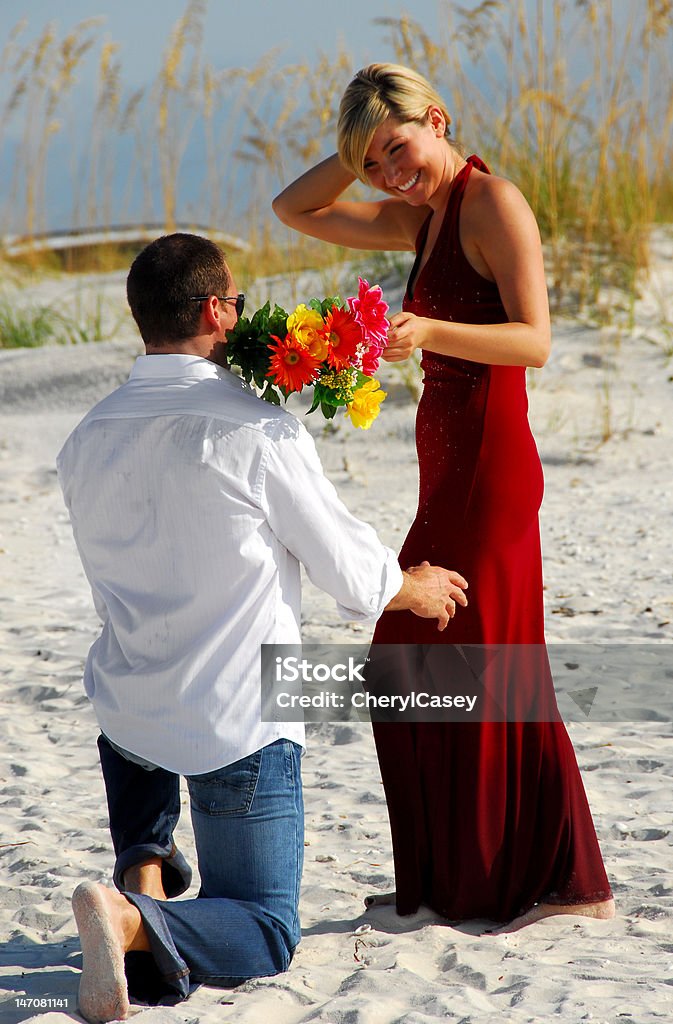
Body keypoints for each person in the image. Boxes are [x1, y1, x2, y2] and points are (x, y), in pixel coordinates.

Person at [56, 232, 468, 1023]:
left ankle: (140, 875)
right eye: (236, 303)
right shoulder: (258, 430)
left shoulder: (87, 438)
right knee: (267, 930)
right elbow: (347, 572)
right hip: (233, 721)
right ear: (216, 311)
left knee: (140, 737)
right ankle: (130, 918)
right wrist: (406, 587)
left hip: (129, 708)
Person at [273, 63, 614, 929]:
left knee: (434, 658)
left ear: (439, 118)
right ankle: (482, 880)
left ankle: (523, 883)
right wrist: (359, 157)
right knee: (453, 666)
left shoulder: (491, 203)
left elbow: (534, 341)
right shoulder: (416, 217)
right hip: (449, 468)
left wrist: (425, 330)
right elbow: (293, 210)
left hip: (490, 471)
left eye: (397, 148)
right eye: (373, 164)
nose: (391, 174)